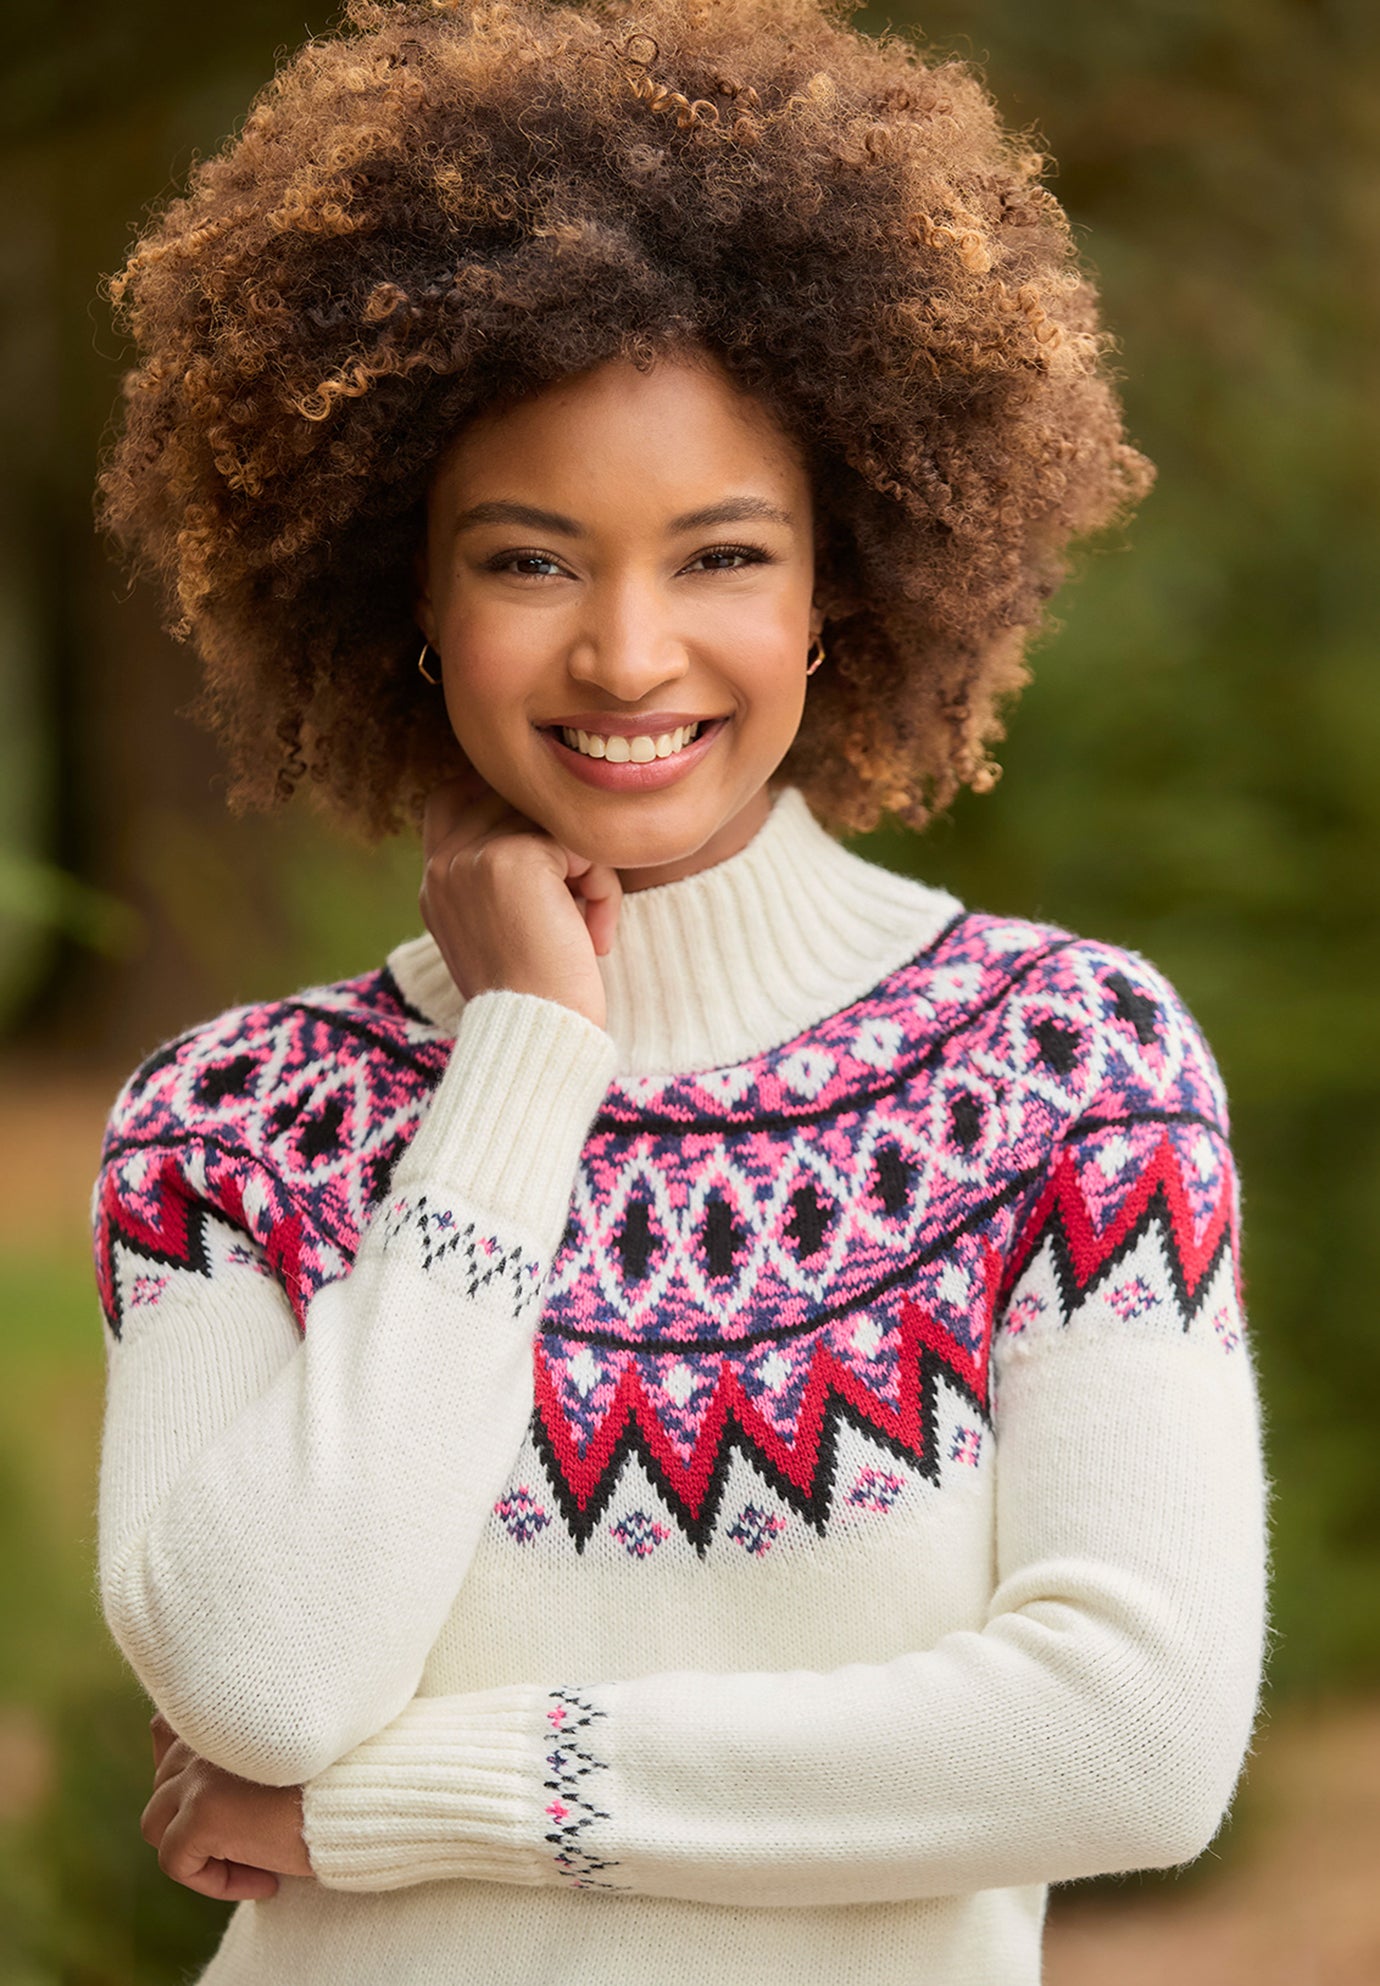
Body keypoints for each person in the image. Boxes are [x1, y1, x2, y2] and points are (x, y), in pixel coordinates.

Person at [92, 1, 1267, 1981]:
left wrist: (407, 1807)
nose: (631, 656)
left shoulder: (1063, 1068)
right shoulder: (229, 1125)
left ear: (843, 593)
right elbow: (268, 1687)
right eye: (533, 562)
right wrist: (528, 1059)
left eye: (720, 555)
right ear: (409, 596)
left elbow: (1129, 1741)